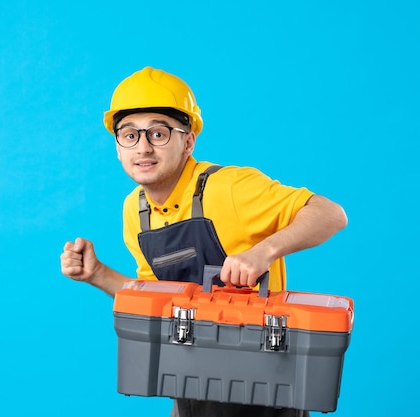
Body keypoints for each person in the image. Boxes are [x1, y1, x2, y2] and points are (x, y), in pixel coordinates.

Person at [60, 66, 348, 417]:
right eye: (130, 135)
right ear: (118, 147)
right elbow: (157, 301)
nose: (144, 147)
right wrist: (97, 274)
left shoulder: (229, 188)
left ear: (188, 141)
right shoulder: (135, 210)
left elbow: (330, 214)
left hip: (265, 393)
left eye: (159, 133)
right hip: (191, 390)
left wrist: (263, 252)